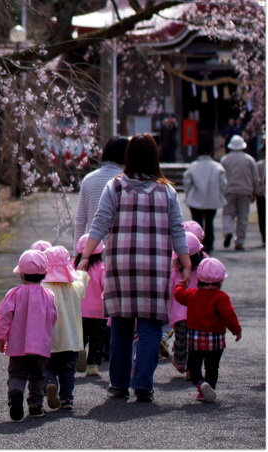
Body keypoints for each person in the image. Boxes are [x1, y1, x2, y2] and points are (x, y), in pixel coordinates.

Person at [77, 133, 191, 403]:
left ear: (128, 157)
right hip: (154, 269)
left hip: (121, 268)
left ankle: (118, 384)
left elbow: (100, 222)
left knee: (121, 328)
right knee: (151, 329)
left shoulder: (114, 187)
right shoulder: (167, 191)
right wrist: (185, 262)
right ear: (155, 157)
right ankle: (143, 385)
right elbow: (178, 229)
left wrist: (85, 255)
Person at [0, 250, 58, 421]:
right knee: (38, 376)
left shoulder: (14, 294)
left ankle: (15, 393)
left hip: (17, 346)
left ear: (21, 275)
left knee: (17, 374)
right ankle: (35, 406)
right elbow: (53, 317)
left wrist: (1, 338)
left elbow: (3, 317)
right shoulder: (48, 295)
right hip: (40, 347)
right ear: (45, 274)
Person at [173, 258, 241, 403]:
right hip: (216, 340)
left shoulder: (192, 294)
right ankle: (209, 389)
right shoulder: (221, 297)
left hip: (195, 339)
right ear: (221, 281)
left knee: (193, 366)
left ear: (198, 278)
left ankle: (201, 384)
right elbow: (229, 316)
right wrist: (236, 331)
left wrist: (181, 285)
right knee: (212, 367)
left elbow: (179, 295)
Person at [41, 246, 88, 411]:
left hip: (49, 340)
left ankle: (49, 384)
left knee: (47, 367)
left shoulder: (43, 289)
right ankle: (67, 399)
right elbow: (82, 282)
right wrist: (81, 272)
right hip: (71, 340)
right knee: (68, 371)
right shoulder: (74, 288)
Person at [74, 136, 130, 242]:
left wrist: (78, 254)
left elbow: (80, 221)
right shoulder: (128, 181)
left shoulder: (88, 179)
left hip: (93, 250)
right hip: (120, 250)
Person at [167, 232, 206, 375]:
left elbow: (168, 289)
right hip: (198, 313)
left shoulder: (175, 271)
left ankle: (180, 362)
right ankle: (192, 369)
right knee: (195, 343)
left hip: (180, 314)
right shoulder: (203, 270)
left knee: (180, 340)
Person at [182, 138, 227, 253]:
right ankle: (209, 244)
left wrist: (188, 194)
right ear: (211, 153)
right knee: (209, 222)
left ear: (197, 152)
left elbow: (187, 182)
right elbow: (223, 184)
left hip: (195, 198)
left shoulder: (193, 166)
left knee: (196, 223)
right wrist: (220, 193)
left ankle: (196, 244)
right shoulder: (217, 167)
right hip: (212, 199)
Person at [74, 234, 105, 377]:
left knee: (81, 336)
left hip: (78, 311)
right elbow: (105, 286)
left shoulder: (73, 266)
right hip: (98, 312)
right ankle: (92, 366)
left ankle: (79, 352)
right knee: (96, 339)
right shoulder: (100, 268)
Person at [220, 134, 258, 251]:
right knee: (242, 217)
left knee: (228, 214)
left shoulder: (225, 159)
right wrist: (254, 192)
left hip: (229, 190)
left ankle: (228, 231)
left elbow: (220, 177)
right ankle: (239, 241)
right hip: (245, 191)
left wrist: (221, 191)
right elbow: (255, 178)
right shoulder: (249, 160)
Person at [256, 153, 265, 247]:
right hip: (261, 193)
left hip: (261, 193)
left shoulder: (259, 165)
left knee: (262, 217)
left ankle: (264, 237)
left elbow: (256, 179)